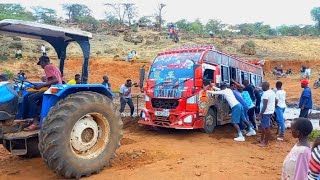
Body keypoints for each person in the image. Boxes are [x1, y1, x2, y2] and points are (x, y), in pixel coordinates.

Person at [24, 56, 62, 131]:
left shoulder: (47, 67)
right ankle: (38, 117)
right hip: (57, 88)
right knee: (38, 99)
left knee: (30, 98)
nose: (41, 65)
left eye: (40, 63)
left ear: (42, 62)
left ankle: (35, 122)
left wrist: (41, 86)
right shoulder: (54, 67)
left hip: (53, 89)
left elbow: (55, 80)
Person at [257, 82, 276, 147]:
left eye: (262, 86)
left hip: (265, 112)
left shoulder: (266, 94)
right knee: (263, 126)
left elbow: (265, 105)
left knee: (266, 127)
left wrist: (260, 114)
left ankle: (265, 143)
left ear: (265, 86)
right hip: (269, 111)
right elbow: (276, 100)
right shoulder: (272, 92)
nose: (261, 87)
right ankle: (262, 139)